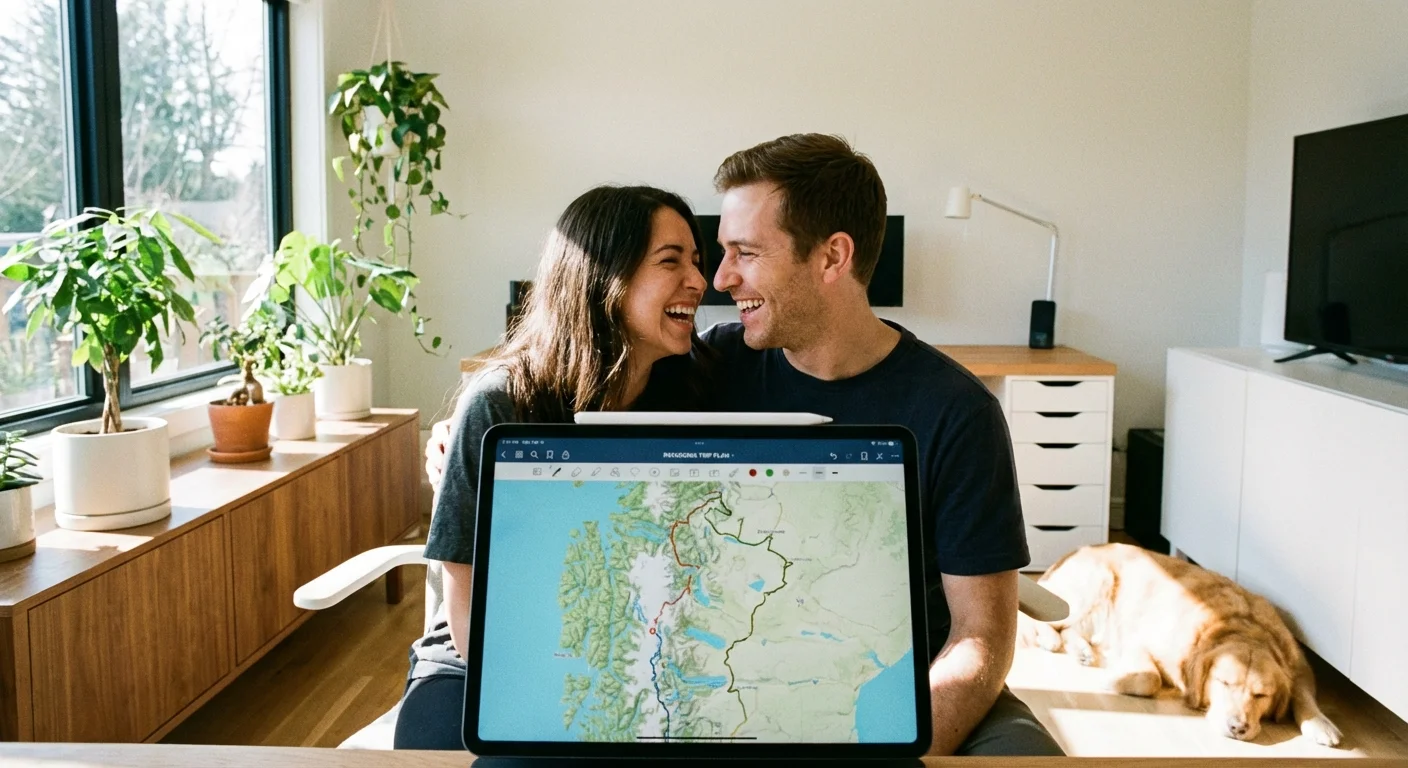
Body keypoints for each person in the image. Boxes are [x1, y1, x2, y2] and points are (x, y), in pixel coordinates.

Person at [426, 135, 1063, 756]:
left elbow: (981, 637)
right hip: (725, 672)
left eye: (744, 253)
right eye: (710, 254)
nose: (718, 279)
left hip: (904, 678)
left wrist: (900, 751)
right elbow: (579, 417)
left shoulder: (957, 412)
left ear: (832, 257)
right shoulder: (709, 368)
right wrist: (464, 450)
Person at [397, 184, 712, 750]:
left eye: (696, 261)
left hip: (634, 641)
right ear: (604, 276)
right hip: (486, 654)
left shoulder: (694, 391)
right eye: (671, 261)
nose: (699, 281)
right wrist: (541, 692)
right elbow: (465, 603)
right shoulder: (501, 402)